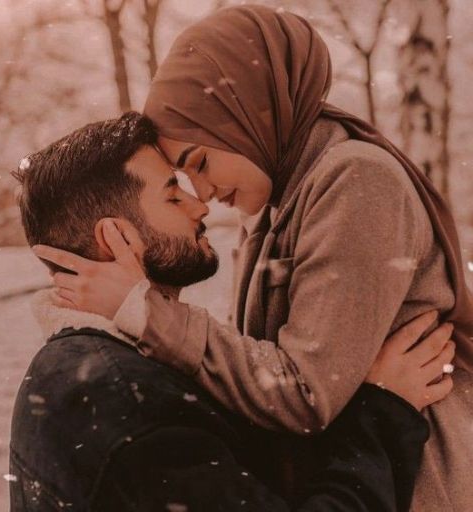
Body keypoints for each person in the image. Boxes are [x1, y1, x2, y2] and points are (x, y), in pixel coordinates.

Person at [34, 8, 473, 510]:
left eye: (200, 162)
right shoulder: (278, 202)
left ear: (247, 117)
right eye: (182, 179)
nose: (202, 192)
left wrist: (146, 312)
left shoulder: (356, 179)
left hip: (411, 484)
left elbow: (304, 394)